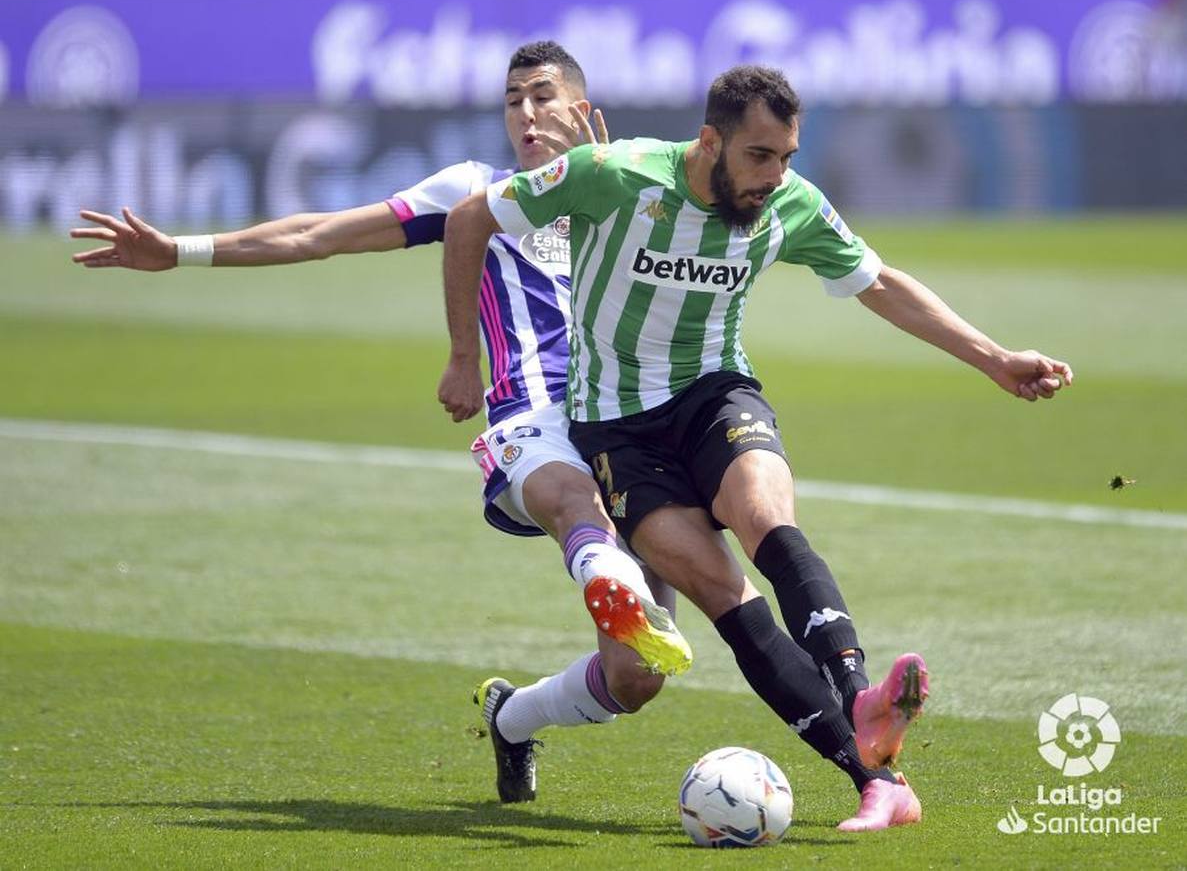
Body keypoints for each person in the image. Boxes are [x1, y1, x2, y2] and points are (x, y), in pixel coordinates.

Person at [438, 64, 1074, 831]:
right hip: (616, 430)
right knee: (723, 596)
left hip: (715, 396)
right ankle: (878, 781)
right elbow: (470, 217)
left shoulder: (788, 205)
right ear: (710, 142)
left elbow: (879, 282)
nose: (775, 176)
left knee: (764, 516)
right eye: (759, 157)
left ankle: (862, 697)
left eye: (787, 157)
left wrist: (993, 357)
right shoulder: (613, 175)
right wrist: (463, 358)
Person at [69, 41, 693, 806]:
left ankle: (514, 716)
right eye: (511, 101)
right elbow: (318, 233)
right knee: (575, 507)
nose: (524, 115)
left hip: (630, 428)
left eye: (540, 96)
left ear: (581, 110)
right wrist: (182, 251)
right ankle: (615, 581)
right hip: (533, 424)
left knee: (638, 677)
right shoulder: (473, 191)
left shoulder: (631, 193)